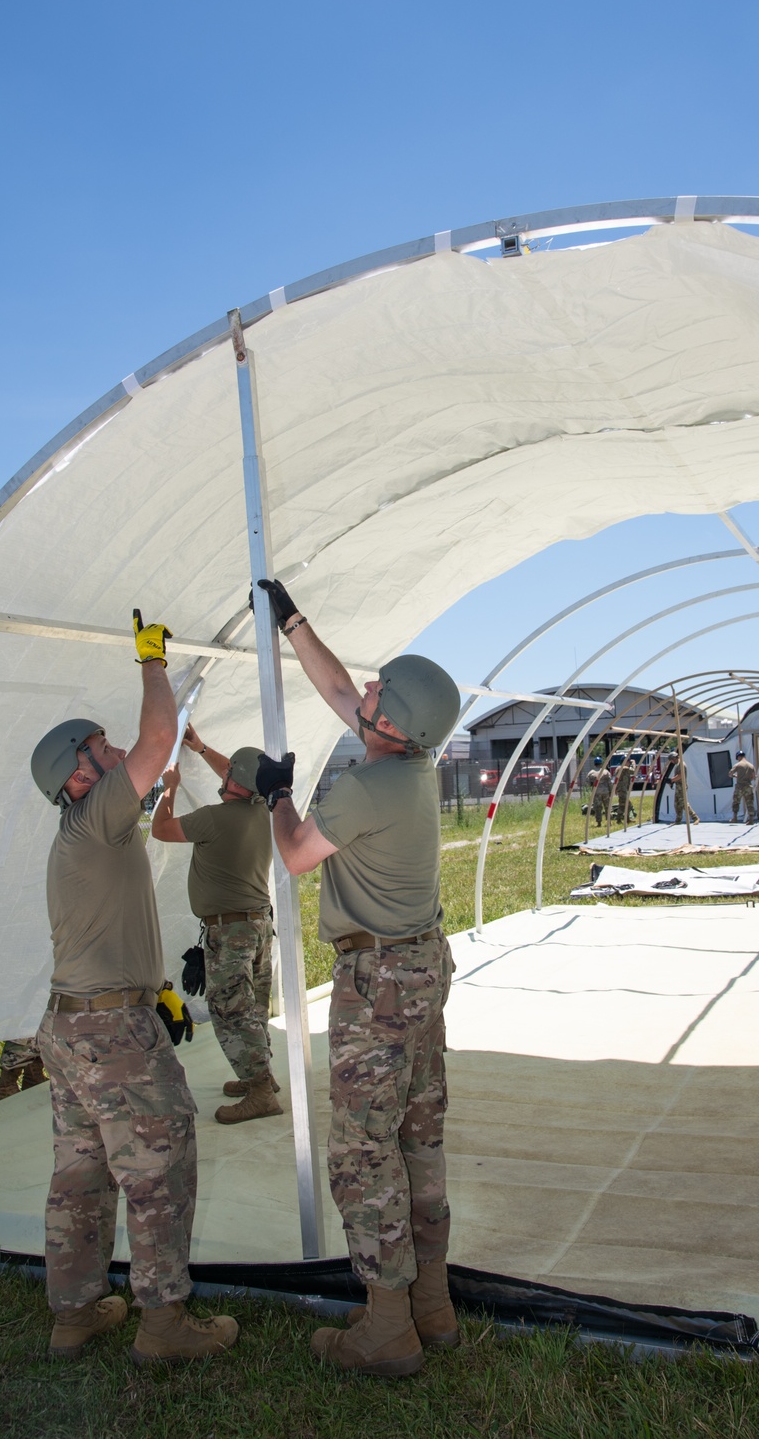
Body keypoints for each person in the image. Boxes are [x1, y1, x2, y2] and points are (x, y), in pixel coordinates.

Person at [255, 577, 460, 1378]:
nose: (364, 692)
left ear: (388, 724)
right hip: (421, 972)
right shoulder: (411, 761)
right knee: (419, 1134)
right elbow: (341, 686)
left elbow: (297, 853)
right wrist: (294, 622)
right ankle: (433, 1304)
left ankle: (386, 1326)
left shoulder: (366, 784)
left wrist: (278, 797)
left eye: (378, 693)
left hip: (376, 987)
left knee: (362, 1149)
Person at [30, 611, 238, 1364]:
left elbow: (150, 761)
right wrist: (153, 663)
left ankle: (76, 1313)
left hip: (74, 1024)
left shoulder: (90, 829)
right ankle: (164, 1326)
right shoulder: (94, 817)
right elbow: (155, 743)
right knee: (161, 1163)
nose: (114, 750)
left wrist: (155, 988)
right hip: (111, 1036)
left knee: (82, 1174)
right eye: (99, 748)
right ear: (79, 775)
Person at [150, 728, 282, 1125]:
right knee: (253, 1007)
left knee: (230, 1009)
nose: (221, 777)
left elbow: (160, 828)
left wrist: (168, 788)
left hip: (230, 932)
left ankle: (260, 1089)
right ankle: (262, 1077)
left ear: (233, 784)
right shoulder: (265, 808)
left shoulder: (213, 818)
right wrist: (201, 748)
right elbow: (236, 771)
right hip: (258, 924)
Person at [668, 756, 699, 826]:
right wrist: (672, 782)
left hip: (682, 787)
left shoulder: (681, 765)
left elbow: (680, 775)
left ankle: (695, 818)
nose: (672, 762)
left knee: (684, 803)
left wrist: (671, 780)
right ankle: (678, 820)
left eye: (672, 760)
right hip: (678, 786)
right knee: (677, 804)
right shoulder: (677, 765)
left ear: (675, 758)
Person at [728, 750, 756, 824]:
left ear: (739, 757)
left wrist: (735, 776)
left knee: (736, 802)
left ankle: (735, 818)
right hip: (748, 786)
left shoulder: (738, 765)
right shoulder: (751, 765)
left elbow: (730, 773)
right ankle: (751, 819)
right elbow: (753, 776)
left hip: (740, 786)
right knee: (750, 802)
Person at [587, 758, 613, 826]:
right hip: (605, 792)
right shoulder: (606, 772)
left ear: (594, 764)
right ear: (601, 763)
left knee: (598, 807)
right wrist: (611, 790)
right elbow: (610, 782)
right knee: (607, 806)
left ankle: (599, 822)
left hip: (596, 792)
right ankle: (609, 822)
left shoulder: (591, 773)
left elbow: (588, 784)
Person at [613, 758, 636, 824]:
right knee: (623, 805)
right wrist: (633, 763)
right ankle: (619, 820)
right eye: (628, 762)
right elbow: (634, 770)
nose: (629, 763)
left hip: (622, 789)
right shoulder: (624, 768)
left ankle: (627, 819)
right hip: (622, 789)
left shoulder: (620, 768)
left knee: (626, 804)